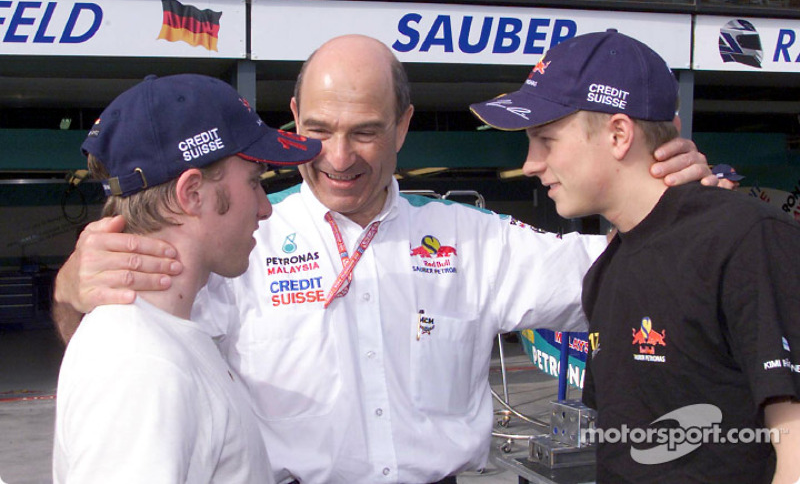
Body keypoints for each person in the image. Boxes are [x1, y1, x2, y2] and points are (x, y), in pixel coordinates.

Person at [52, 35, 716, 484]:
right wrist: (71, 289)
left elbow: (629, 266)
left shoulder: (469, 238)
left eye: (365, 131)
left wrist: (683, 202)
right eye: (318, 132)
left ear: (402, 124)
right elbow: (127, 364)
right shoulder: (234, 241)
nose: (339, 158)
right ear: (293, 117)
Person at [470, 29, 800, 483]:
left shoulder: (746, 239)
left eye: (545, 140)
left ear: (619, 134)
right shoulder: (608, 266)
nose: (530, 163)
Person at [52, 74, 321, 483]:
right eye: (254, 183)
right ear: (193, 193)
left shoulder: (162, 337)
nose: (266, 209)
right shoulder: (141, 365)